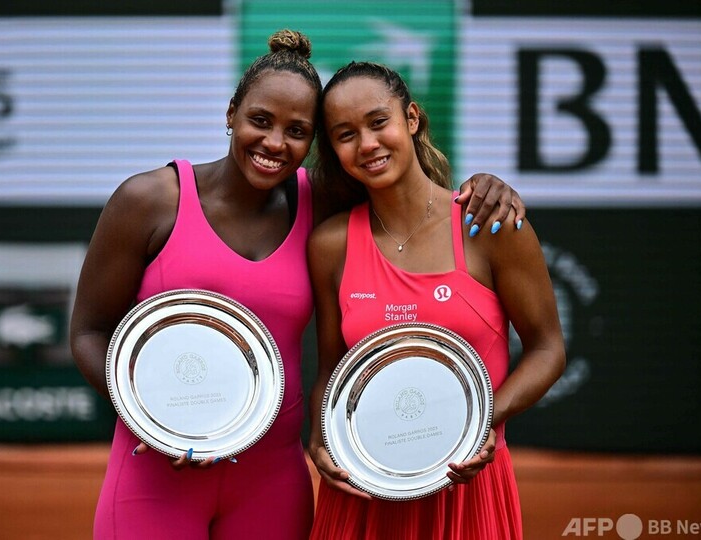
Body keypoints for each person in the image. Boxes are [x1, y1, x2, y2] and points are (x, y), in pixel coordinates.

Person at [70, 30, 527, 540]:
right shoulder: (149, 200)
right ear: (230, 114)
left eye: (297, 130)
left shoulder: (322, 205)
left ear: (313, 143)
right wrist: (154, 423)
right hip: (158, 472)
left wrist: (487, 184)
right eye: (260, 121)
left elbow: (404, 186)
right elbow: (89, 331)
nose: (273, 143)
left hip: (271, 483)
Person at [306, 61, 567, 540]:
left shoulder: (489, 225)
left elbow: (548, 348)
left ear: (412, 118)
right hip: (364, 491)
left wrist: (486, 420)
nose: (366, 144)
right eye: (345, 134)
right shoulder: (330, 245)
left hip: (465, 489)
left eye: (378, 122)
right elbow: (331, 369)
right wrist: (321, 439)